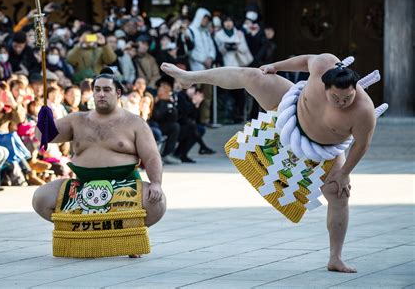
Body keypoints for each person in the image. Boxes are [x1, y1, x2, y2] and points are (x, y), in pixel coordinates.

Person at [161, 53, 378, 273]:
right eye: (336, 98)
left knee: (339, 193)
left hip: (324, 149)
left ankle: (336, 258)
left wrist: (344, 173)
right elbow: (304, 61)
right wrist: (276, 65)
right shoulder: (323, 64)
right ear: (325, 84)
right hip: (290, 107)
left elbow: (361, 145)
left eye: (347, 98)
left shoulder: (363, 111)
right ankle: (190, 77)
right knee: (253, 76)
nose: (342, 103)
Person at [32, 72, 166, 255]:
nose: (101, 94)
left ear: (118, 93)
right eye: (97, 90)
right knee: (41, 198)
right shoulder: (77, 119)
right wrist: (44, 121)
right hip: (82, 186)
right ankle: (81, 232)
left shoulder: (135, 123)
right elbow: (44, 137)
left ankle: (127, 233)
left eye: (106, 89)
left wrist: (156, 183)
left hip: (124, 186)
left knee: (157, 203)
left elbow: (152, 156)